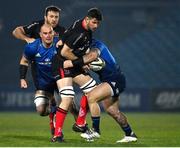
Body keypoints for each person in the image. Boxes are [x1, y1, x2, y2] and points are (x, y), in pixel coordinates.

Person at [13, 5, 79, 135]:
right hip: (42, 73)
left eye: (56, 17)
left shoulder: (62, 31)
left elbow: (69, 51)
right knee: (42, 110)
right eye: (51, 16)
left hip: (60, 73)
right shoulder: (36, 26)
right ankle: (53, 111)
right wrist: (27, 38)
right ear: (45, 17)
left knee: (71, 104)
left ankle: (82, 127)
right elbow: (16, 31)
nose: (54, 19)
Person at [67, 39, 138, 143]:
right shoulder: (83, 49)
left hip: (115, 79)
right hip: (110, 79)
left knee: (91, 97)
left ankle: (96, 130)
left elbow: (93, 56)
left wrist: (76, 62)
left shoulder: (97, 45)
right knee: (112, 111)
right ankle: (130, 134)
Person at [51, 7, 103, 142]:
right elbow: (64, 52)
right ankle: (57, 135)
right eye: (94, 22)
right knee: (67, 98)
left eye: (98, 23)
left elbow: (69, 30)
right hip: (62, 64)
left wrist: (62, 38)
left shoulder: (81, 24)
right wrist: (81, 63)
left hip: (72, 63)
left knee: (93, 91)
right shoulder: (80, 34)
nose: (96, 26)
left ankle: (80, 123)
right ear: (87, 19)